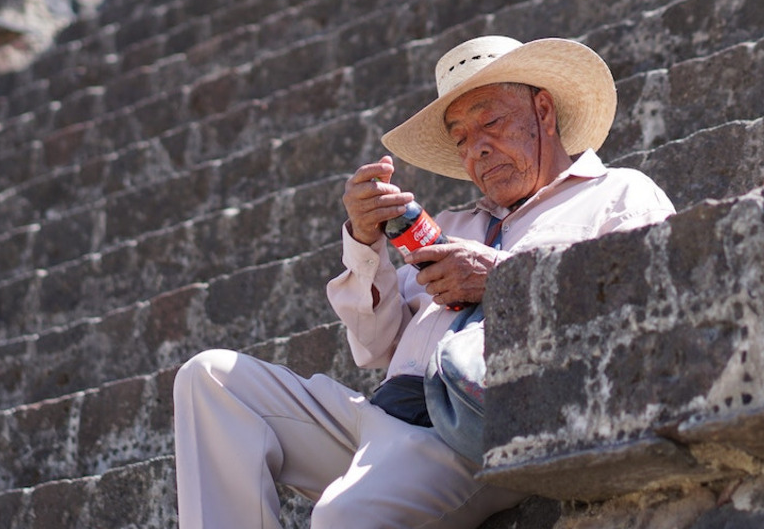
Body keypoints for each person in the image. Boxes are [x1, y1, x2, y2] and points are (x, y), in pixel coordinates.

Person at [172, 35, 676, 528]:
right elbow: (373, 347)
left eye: (491, 122)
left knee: (344, 515)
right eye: (460, 139)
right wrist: (366, 244)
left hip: (481, 426)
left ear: (543, 111)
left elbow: (649, 301)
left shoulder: (620, 194)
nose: (476, 149)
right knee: (211, 378)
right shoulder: (453, 224)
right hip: (384, 419)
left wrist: (503, 279)